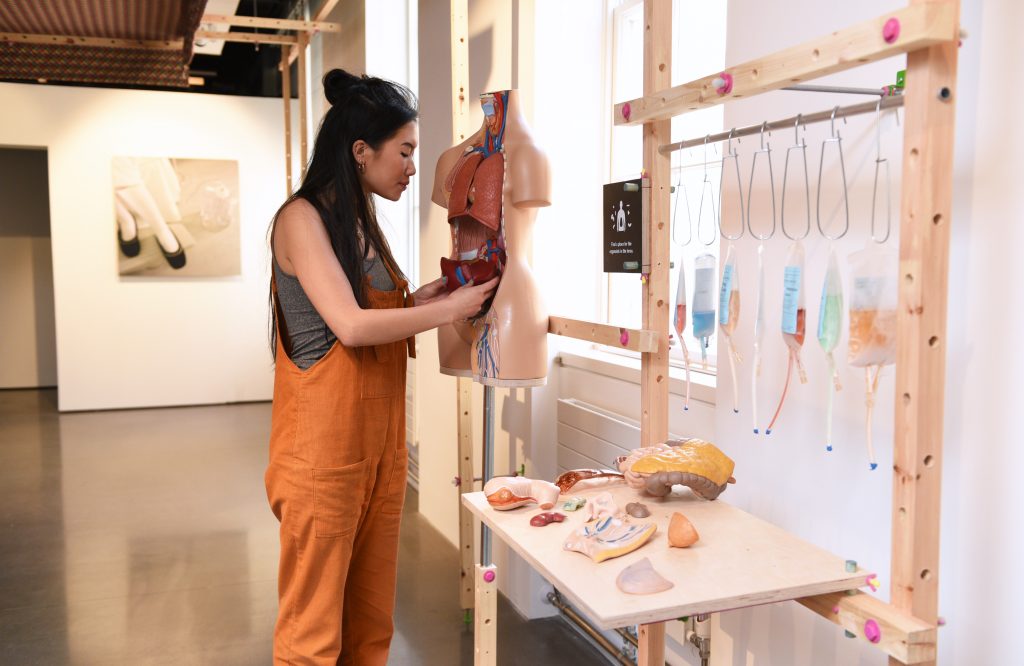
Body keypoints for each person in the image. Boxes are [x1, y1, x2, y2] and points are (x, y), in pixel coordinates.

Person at [264, 68, 497, 665]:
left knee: (369, 621)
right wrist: (450, 307)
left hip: (376, 453)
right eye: (406, 151)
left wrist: (439, 291)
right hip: (322, 460)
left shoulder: (361, 223)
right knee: (313, 631)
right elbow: (351, 325)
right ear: (361, 151)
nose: (413, 167)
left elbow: (380, 309)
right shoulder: (301, 220)